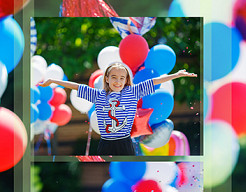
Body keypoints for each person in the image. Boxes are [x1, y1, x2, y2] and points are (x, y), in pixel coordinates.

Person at [39, 62, 197, 156]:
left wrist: (176, 75)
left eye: (122, 78)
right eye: (114, 77)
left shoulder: (132, 92)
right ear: (106, 79)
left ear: (126, 80)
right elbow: (77, 87)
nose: (118, 81)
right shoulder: (99, 95)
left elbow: (155, 82)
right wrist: (54, 80)